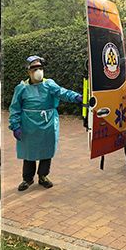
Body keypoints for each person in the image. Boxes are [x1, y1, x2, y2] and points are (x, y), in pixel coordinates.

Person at [8, 55, 82, 191]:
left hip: (48, 123)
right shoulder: (22, 88)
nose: (38, 71)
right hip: (29, 125)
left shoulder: (49, 84)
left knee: (46, 151)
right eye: (35, 68)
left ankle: (43, 176)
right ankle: (27, 179)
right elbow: (15, 108)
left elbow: (62, 92)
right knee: (29, 153)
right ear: (29, 71)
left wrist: (76, 97)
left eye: (40, 68)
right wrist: (15, 125)